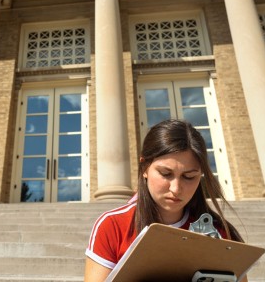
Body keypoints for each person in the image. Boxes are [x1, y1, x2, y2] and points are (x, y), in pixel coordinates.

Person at [84, 119, 244, 282]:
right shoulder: (113, 226)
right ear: (144, 167)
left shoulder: (219, 233)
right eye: (166, 174)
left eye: (189, 177)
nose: (176, 188)